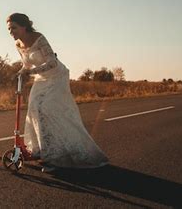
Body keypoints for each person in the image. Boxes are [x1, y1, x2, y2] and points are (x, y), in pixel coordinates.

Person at [6, 13, 108, 173]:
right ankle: (40, 149)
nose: (11, 31)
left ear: (24, 26)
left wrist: (31, 72)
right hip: (41, 78)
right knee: (34, 109)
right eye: (9, 29)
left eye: (14, 28)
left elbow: (52, 62)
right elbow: (26, 65)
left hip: (57, 75)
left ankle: (54, 156)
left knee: (46, 108)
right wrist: (20, 73)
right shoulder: (18, 44)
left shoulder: (39, 38)